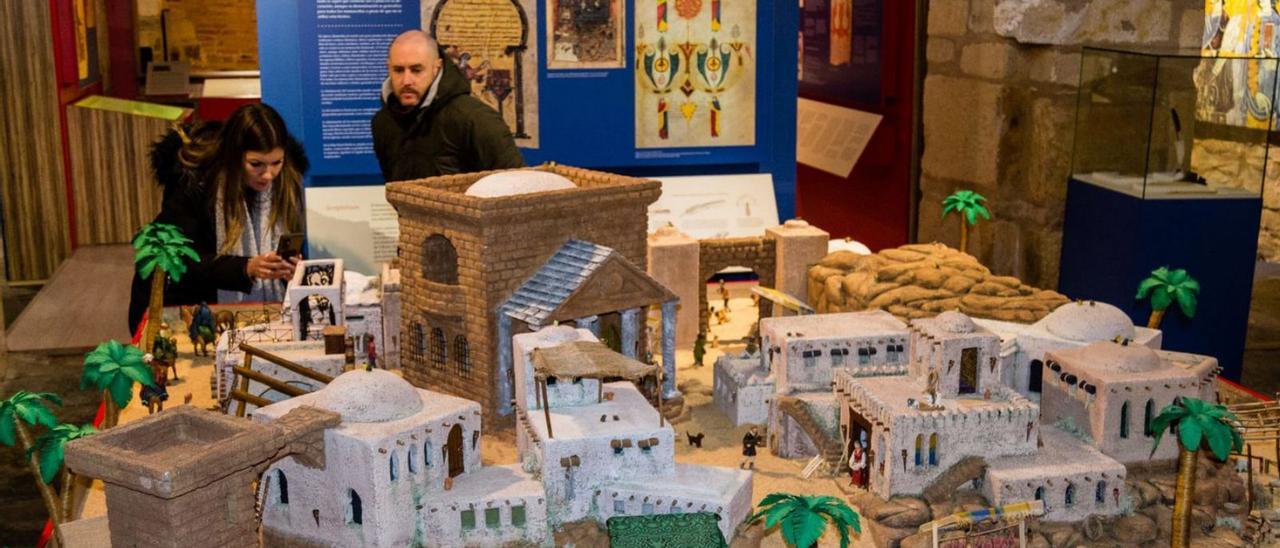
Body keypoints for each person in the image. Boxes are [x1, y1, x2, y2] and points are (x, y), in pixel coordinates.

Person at [127, 103, 307, 333]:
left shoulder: (287, 183)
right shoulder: (195, 184)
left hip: (255, 312)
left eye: (276, 163)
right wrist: (245, 268)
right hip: (185, 308)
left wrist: (288, 269)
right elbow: (182, 262)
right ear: (234, 156)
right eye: (256, 164)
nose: (268, 174)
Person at [371, 30, 524, 181]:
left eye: (416, 70)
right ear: (388, 68)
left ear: (436, 67)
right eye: (398, 70)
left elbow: (517, 188)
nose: (406, 81)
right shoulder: (383, 123)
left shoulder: (475, 118)